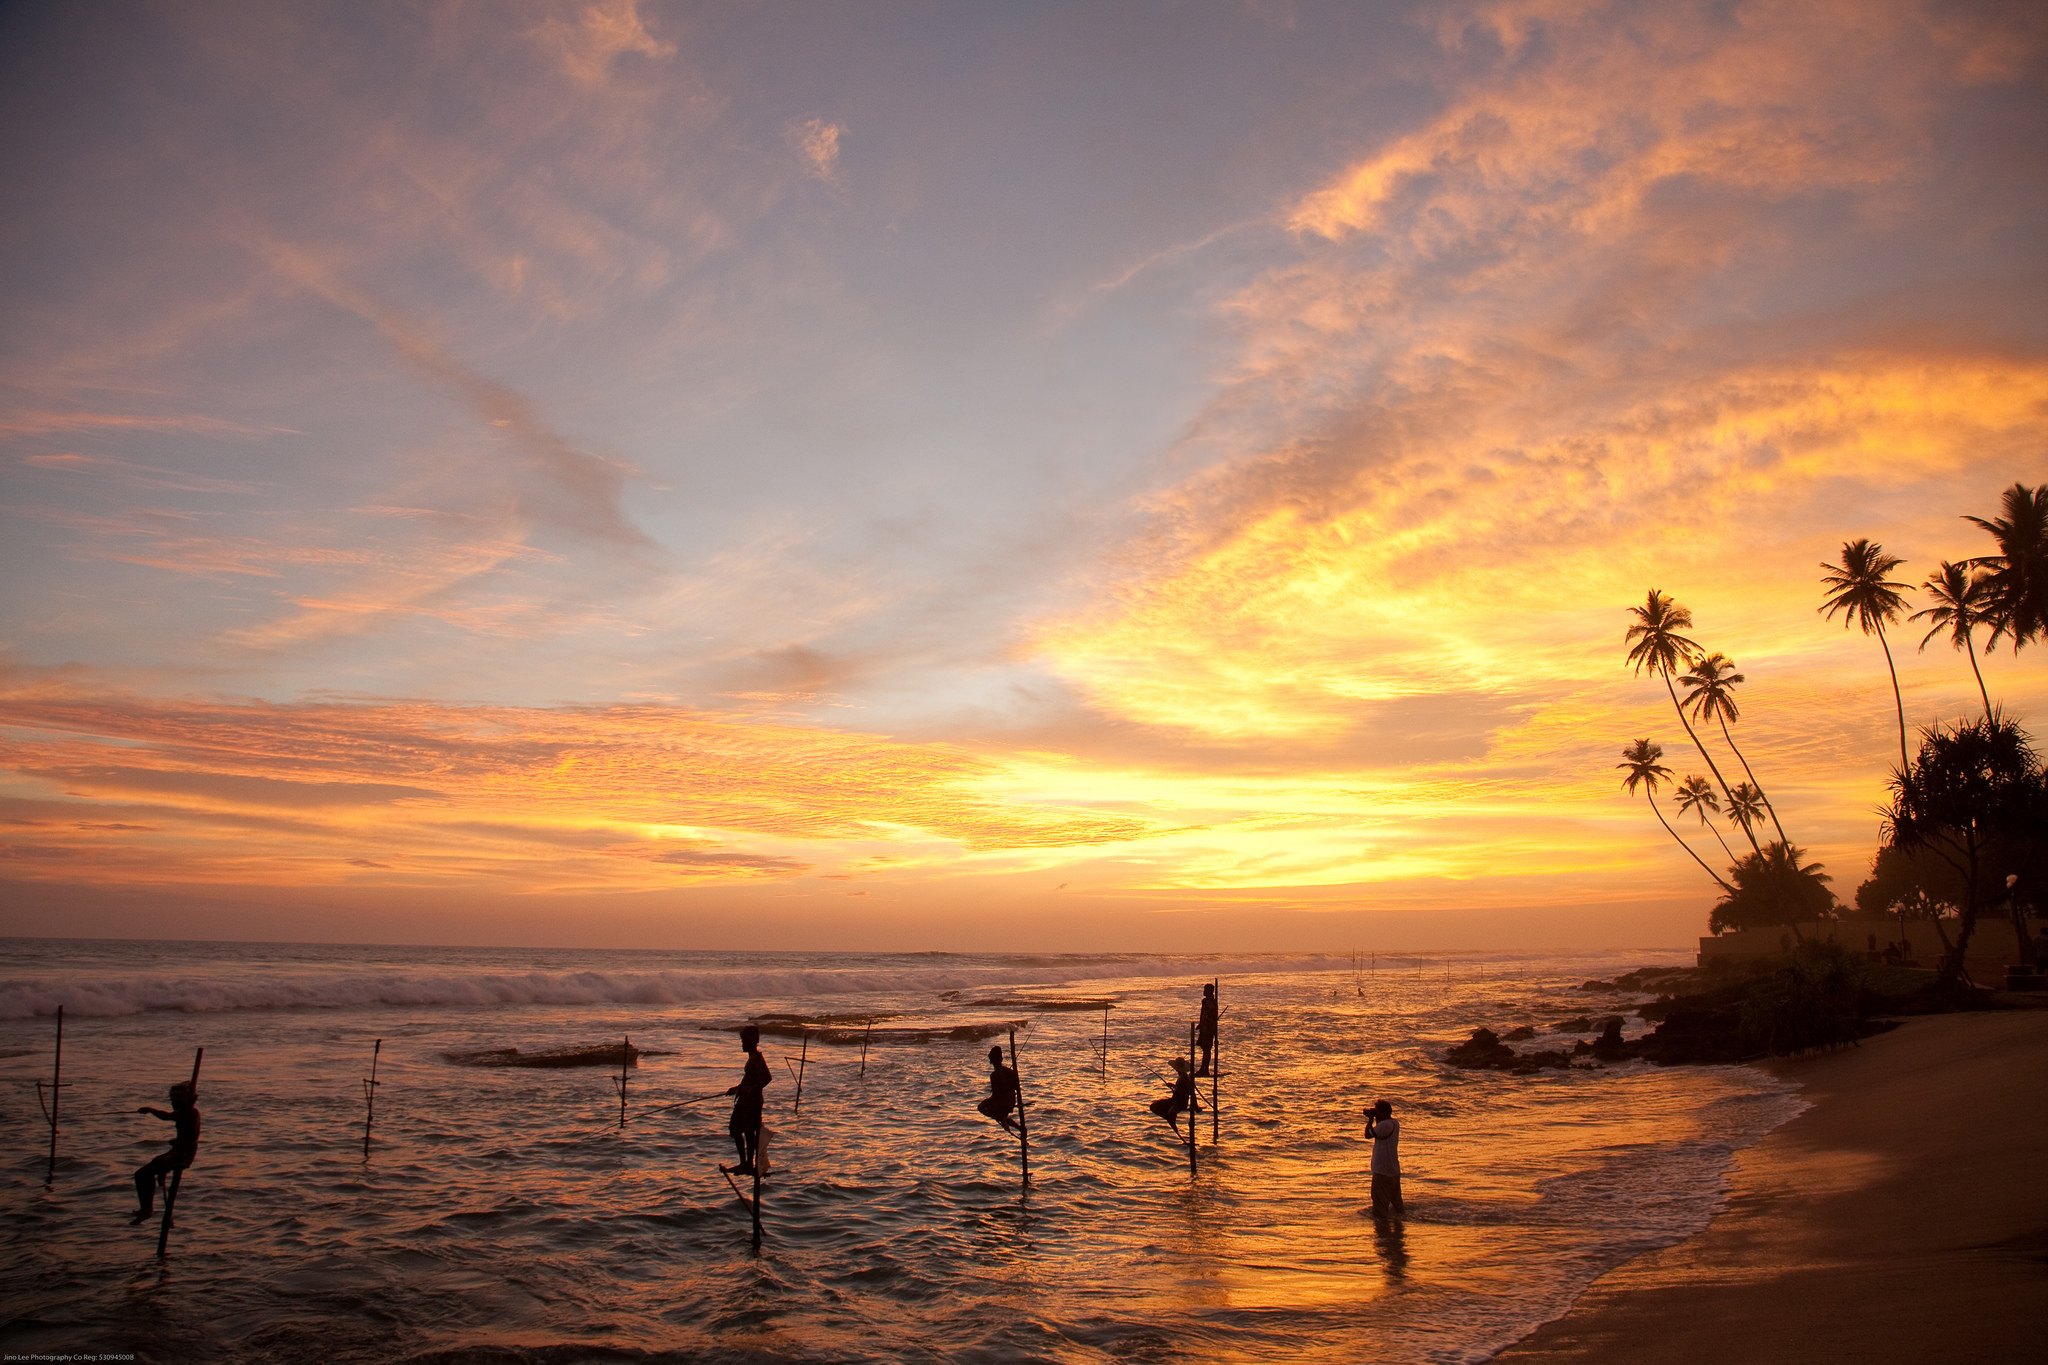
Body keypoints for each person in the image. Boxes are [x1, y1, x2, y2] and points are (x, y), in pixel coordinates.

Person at [131, 1080, 200, 1224]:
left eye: (177, 1098)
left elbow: (166, 1116)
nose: (173, 1101)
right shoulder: (187, 1113)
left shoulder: (188, 1112)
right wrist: (176, 1142)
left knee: (142, 1174)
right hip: (179, 1151)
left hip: (181, 1155)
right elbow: (187, 1134)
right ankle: (147, 1208)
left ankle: (147, 1209)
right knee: (147, 1171)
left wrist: (150, 1110)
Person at [723, 1024, 772, 1176]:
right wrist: (737, 1088)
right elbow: (749, 1080)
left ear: (750, 1042)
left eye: (743, 1041)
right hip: (747, 1100)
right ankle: (745, 1163)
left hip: (752, 1102)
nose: (742, 1044)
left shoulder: (757, 1058)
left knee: (742, 1130)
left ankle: (747, 1164)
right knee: (741, 1130)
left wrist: (750, 1089)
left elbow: (767, 1078)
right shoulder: (752, 1058)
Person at [1365, 1099, 1403, 1223]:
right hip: (1393, 1170)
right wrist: (1376, 1118)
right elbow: (1380, 1131)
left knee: (1380, 1206)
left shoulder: (1384, 1125)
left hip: (1382, 1171)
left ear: (1383, 1112)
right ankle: (1399, 1230)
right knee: (1397, 1205)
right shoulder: (1394, 1123)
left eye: (1377, 1111)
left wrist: (1370, 1120)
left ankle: (1382, 1236)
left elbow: (1368, 1134)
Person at [1149, 1056, 1200, 1135]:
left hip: (1179, 1103)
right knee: (1154, 1106)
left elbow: (1191, 1093)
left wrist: (1195, 1106)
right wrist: (1173, 1086)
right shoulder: (1182, 1076)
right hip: (1174, 1101)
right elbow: (1180, 1088)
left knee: (1163, 1111)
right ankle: (1168, 1117)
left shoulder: (1185, 1078)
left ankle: (1170, 1119)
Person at [977, 1044, 1021, 1134]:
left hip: (1003, 1103)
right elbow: (1016, 1086)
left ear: (992, 1061)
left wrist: (986, 1102)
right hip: (1012, 1101)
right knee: (1001, 1116)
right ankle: (1020, 1128)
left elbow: (996, 1095)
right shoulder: (1009, 1071)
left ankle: (1003, 1120)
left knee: (981, 1107)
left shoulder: (994, 1075)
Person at [1196, 983, 1218, 1077]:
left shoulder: (1211, 1002)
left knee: (1207, 1049)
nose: (1203, 991)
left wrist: (1206, 1022)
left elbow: (1210, 1014)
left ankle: (1205, 1069)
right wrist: (1200, 1024)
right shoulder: (1206, 1001)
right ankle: (1203, 1068)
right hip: (1204, 1028)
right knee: (1204, 1049)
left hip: (1208, 1029)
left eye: (1205, 990)